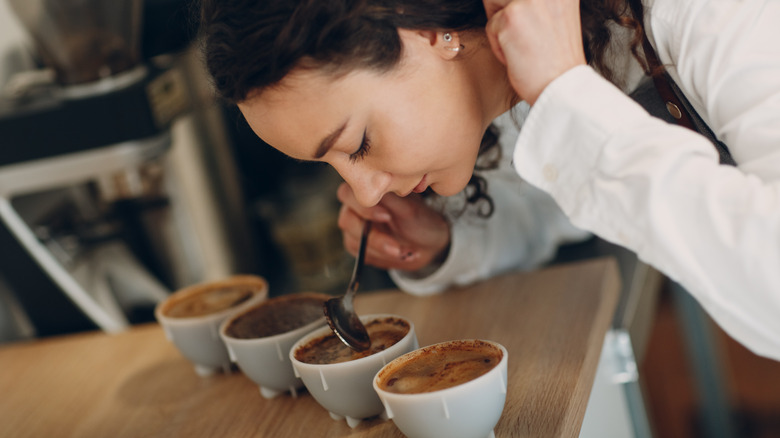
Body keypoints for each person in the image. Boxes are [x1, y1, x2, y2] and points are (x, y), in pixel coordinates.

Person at [198, 0, 780, 360]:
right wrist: (447, 244)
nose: (366, 191)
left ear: (424, 30)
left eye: (358, 145)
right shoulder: (505, 76)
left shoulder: (706, 11)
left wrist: (563, 91)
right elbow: (555, 202)